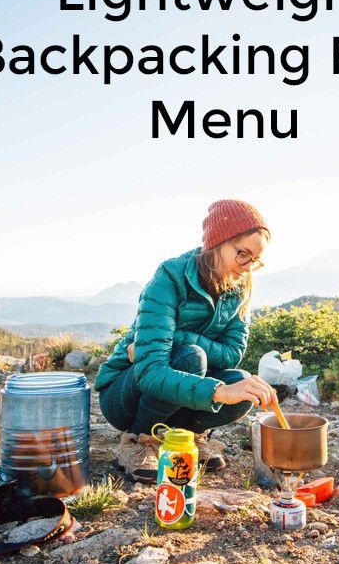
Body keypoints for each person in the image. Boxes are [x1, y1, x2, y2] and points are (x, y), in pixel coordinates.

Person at [95, 199, 278, 483]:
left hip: (178, 381)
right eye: (243, 254)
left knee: (242, 385)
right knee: (191, 358)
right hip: (124, 395)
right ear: (218, 242)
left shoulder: (240, 290)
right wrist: (217, 391)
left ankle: (187, 438)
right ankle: (140, 441)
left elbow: (231, 355)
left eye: (255, 260)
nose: (247, 267)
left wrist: (178, 338)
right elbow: (149, 373)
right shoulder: (170, 276)